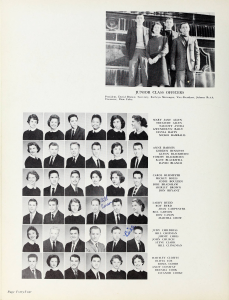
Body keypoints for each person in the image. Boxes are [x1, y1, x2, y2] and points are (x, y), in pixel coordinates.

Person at [171, 22, 200, 87]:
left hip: (191, 65)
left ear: (189, 29)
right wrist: (172, 64)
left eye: (186, 27)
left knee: (191, 83)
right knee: (180, 83)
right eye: (183, 27)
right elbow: (173, 53)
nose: (185, 29)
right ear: (180, 29)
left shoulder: (193, 40)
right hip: (180, 65)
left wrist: (197, 64)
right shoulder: (176, 40)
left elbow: (197, 53)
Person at [125, 13, 149, 87]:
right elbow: (127, 42)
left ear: (143, 20)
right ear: (135, 20)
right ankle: (131, 87)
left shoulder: (147, 30)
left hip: (144, 51)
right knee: (132, 70)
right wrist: (129, 52)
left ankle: (145, 87)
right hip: (134, 51)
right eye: (138, 18)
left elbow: (150, 42)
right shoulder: (131, 29)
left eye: (141, 18)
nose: (139, 19)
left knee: (145, 71)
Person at [146, 22, 169, 87]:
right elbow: (147, 51)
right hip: (151, 62)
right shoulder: (150, 40)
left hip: (160, 60)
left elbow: (166, 49)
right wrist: (149, 58)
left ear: (160, 29)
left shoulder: (164, 38)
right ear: (153, 29)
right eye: (155, 27)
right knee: (153, 84)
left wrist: (157, 57)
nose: (156, 29)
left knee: (161, 83)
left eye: (158, 27)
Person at [162, 18, 179, 87]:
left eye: (170, 22)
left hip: (173, 56)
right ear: (165, 24)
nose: (169, 24)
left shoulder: (176, 34)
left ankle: (172, 87)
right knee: (164, 72)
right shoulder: (161, 33)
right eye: (167, 22)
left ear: (172, 24)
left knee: (173, 73)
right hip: (163, 55)